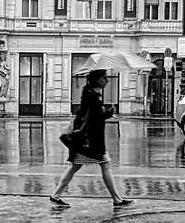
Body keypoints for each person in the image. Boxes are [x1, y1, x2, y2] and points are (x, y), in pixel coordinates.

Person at [49, 69, 134, 208]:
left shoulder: (91, 93)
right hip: (90, 142)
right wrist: (108, 113)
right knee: (103, 164)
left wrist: (105, 113)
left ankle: (56, 195)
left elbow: (92, 116)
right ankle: (117, 200)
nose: (107, 80)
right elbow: (94, 118)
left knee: (74, 166)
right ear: (97, 80)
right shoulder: (92, 96)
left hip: (87, 141)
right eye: (104, 78)